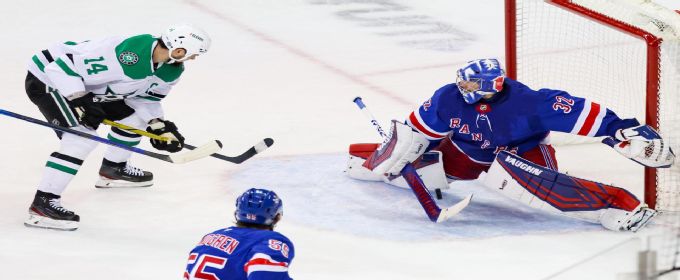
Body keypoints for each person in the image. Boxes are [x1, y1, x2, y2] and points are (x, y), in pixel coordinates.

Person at [348, 58, 675, 231]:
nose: (463, 86)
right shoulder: (447, 96)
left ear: (493, 85)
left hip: (522, 153)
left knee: (518, 182)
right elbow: (418, 129)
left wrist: (621, 131)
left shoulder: (530, 103)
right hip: (467, 151)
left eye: (471, 83)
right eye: (463, 79)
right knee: (412, 168)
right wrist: (399, 148)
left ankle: (617, 206)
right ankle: (370, 160)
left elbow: (589, 116)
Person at [23, 24, 211, 231]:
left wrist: (157, 125)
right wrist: (80, 99)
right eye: (194, 54)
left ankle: (114, 169)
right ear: (179, 50)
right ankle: (42, 205)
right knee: (80, 138)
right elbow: (59, 68)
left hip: (91, 87)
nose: (193, 59)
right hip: (50, 81)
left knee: (134, 121)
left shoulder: (171, 70)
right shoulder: (125, 56)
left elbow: (144, 100)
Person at [183, 188, 295, 280]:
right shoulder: (271, 240)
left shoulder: (211, 236)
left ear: (237, 212)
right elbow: (263, 275)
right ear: (277, 217)